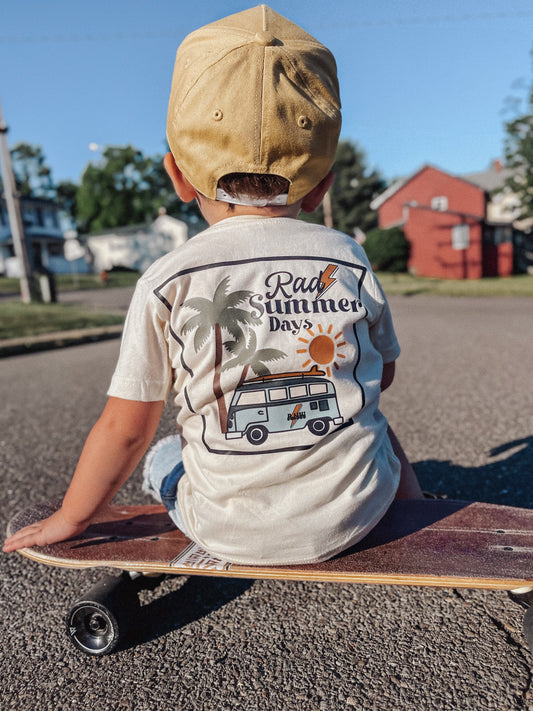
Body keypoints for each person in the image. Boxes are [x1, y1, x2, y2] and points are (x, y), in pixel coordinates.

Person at [4, 5, 422, 563]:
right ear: (321, 186)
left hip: (228, 530)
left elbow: (125, 429)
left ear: (177, 175)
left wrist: (71, 517)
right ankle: (416, 510)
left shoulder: (166, 279)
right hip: (358, 515)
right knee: (369, 417)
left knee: (159, 455)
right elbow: (381, 374)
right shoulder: (347, 256)